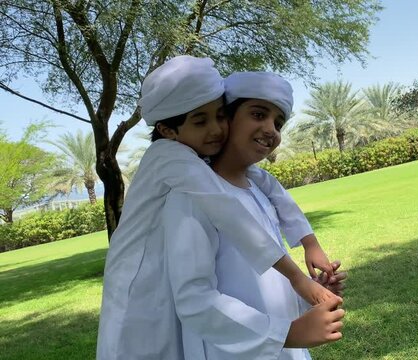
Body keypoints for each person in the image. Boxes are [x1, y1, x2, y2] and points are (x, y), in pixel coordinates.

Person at [97, 56, 338, 359]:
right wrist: (296, 285)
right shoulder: (182, 178)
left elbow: (272, 199)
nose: (216, 129)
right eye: (201, 121)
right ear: (168, 130)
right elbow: (197, 296)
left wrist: (311, 294)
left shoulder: (254, 185)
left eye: (219, 116)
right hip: (141, 293)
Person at [164, 71, 344, 359]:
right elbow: (193, 300)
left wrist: (309, 295)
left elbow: (265, 281)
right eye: (259, 114)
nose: (271, 129)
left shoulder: (259, 190)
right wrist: (288, 334)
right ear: (226, 119)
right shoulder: (189, 197)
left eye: (278, 122)